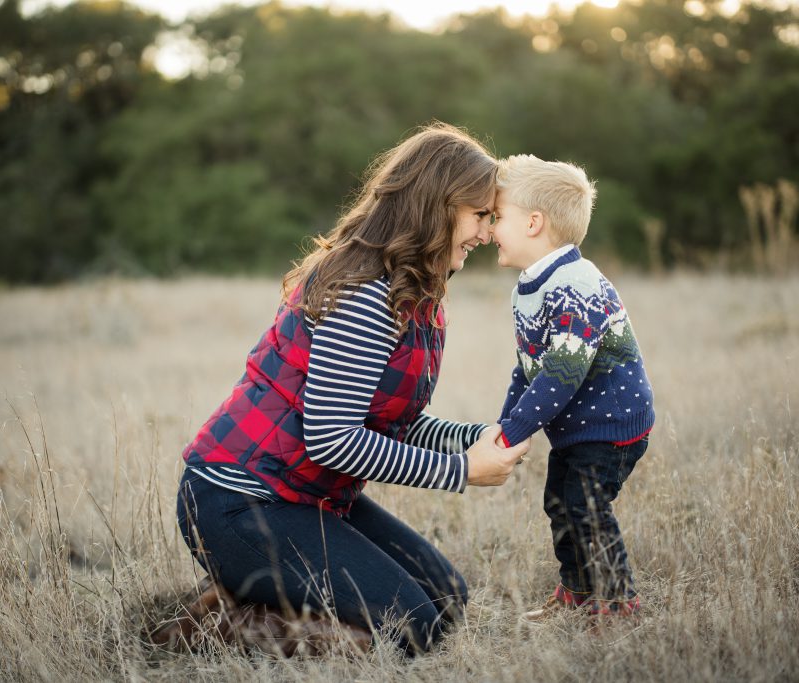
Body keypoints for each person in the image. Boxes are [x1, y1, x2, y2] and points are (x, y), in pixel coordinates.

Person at [167, 123, 531, 656]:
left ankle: (256, 596)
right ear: (437, 206)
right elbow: (332, 439)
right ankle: (211, 626)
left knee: (447, 600)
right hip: (238, 503)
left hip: (303, 497)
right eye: (479, 216)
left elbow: (390, 421)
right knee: (411, 627)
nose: (484, 233)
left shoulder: (413, 291)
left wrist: (475, 438)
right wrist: (461, 472)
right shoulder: (366, 296)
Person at [488, 154, 655, 618]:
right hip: (578, 427)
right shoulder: (533, 285)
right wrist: (505, 425)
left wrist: (515, 431)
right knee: (560, 503)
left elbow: (561, 374)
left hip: (611, 425)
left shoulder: (575, 284)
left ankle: (618, 602)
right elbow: (528, 369)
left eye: (498, 217)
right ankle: (578, 592)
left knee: (586, 506)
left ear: (533, 223)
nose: (489, 229)